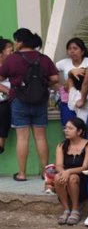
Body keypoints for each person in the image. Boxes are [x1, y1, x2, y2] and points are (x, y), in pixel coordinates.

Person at [0, 28, 59, 181]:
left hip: (19, 101)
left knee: (23, 138)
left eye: (16, 40)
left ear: (20, 42)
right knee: (40, 137)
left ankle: (22, 174)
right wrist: (42, 85)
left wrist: (9, 89)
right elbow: (54, 78)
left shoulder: (12, 59)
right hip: (40, 101)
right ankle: (45, 172)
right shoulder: (44, 58)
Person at [54, 117, 88, 225]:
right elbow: (59, 165)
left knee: (73, 178)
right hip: (66, 177)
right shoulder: (61, 146)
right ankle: (66, 209)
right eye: (65, 128)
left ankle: (75, 209)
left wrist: (68, 171)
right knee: (57, 177)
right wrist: (63, 172)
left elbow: (85, 167)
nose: (66, 130)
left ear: (79, 131)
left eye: (70, 128)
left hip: (83, 179)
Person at [56, 37, 88, 124]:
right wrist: (60, 88)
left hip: (87, 99)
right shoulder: (63, 63)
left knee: (84, 126)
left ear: (82, 51)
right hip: (69, 98)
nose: (72, 51)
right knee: (70, 126)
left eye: (75, 48)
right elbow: (50, 76)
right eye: (69, 49)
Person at [0, 36, 13, 154]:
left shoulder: (13, 65)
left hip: (7, 102)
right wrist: (9, 91)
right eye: (9, 48)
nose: (12, 51)